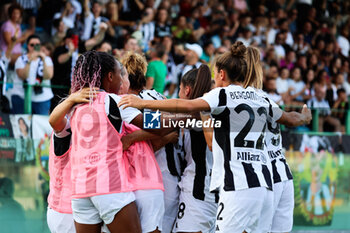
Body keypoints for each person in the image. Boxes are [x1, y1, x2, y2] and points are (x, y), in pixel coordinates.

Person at [119, 41, 312, 232]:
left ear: (222, 74)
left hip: (219, 188)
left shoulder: (218, 99)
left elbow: (175, 118)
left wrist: (138, 117)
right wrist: (304, 117)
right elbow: (290, 119)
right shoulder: (262, 97)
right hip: (264, 184)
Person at [67, 51, 143, 233]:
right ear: (110, 76)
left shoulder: (75, 105)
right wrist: (182, 117)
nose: (121, 79)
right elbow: (153, 123)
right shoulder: (112, 100)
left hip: (80, 191)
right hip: (109, 187)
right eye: (120, 73)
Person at [122, 52, 180, 233]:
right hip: (170, 175)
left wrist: (133, 137)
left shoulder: (136, 102)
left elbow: (164, 127)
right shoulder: (159, 96)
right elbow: (173, 124)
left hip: (157, 175)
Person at [244, 46, 294, 233]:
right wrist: (304, 116)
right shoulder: (266, 98)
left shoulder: (233, 98)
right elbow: (291, 119)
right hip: (283, 172)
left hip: (263, 176)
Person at [172, 65, 218, 233]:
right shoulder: (218, 111)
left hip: (198, 192)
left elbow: (160, 121)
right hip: (214, 190)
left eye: (179, 89)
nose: (178, 94)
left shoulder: (194, 115)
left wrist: (140, 104)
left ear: (188, 90)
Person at [48, 88, 97, 233]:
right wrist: (71, 99)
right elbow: (54, 121)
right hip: (66, 211)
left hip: (75, 209)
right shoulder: (67, 126)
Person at [13, 35, 54, 115]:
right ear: (28, 46)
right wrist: (30, 60)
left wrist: (43, 60)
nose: (35, 47)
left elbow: (48, 76)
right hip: (25, 98)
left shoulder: (47, 59)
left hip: (43, 98)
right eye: (32, 45)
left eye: (37, 45)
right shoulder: (21, 59)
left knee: (41, 125)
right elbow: (23, 76)